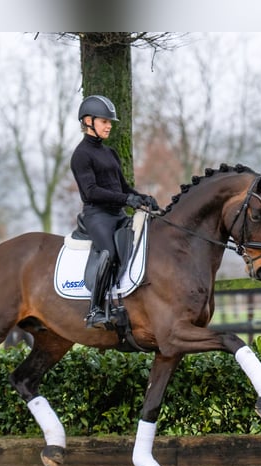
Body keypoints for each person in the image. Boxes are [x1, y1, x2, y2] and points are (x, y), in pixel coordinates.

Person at [70, 94, 159, 330]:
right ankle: (96, 309)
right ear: (88, 121)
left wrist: (140, 198)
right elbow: (90, 192)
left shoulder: (110, 153)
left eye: (110, 122)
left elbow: (123, 188)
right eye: (104, 121)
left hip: (118, 214)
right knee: (108, 251)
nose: (109, 125)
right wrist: (126, 198)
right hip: (97, 216)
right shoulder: (81, 155)